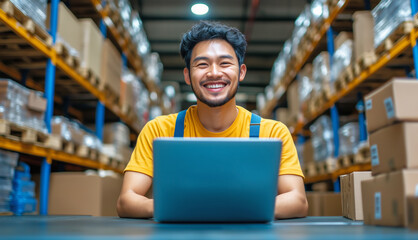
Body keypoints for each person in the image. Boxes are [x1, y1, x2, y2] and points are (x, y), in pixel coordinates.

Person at [116, 21, 308, 219]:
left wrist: (218, 206)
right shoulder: (159, 131)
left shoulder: (272, 133)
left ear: (241, 72)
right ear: (188, 76)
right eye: (202, 64)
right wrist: (180, 207)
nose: (214, 73)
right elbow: (126, 201)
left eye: (225, 63)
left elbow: (298, 201)